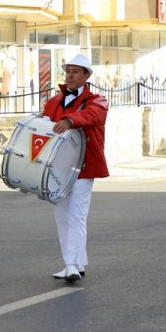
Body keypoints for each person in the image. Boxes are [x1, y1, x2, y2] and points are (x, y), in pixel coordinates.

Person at [42, 54, 109, 282]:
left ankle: (71, 264)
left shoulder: (97, 101)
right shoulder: (53, 102)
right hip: (58, 168)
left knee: (76, 215)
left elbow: (90, 115)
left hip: (84, 167)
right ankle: (75, 263)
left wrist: (70, 120)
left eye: (76, 71)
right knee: (62, 216)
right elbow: (44, 128)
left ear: (87, 75)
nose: (70, 75)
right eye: (68, 71)